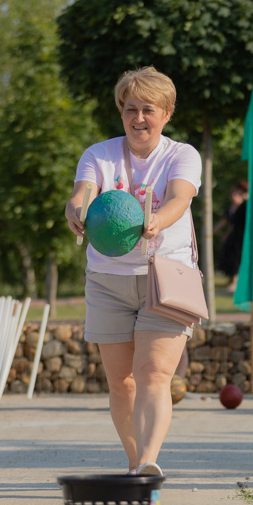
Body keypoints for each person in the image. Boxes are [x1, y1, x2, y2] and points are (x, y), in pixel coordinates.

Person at [64, 67, 202, 476]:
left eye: (148, 110)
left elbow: (180, 197)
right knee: (121, 383)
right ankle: (133, 464)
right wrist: (76, 210)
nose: (138, 118)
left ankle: (148, 461)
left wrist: (157, 219)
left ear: (167, 113)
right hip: (108, 281)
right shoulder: (99, 155)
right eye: (130, 109)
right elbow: (83, 192)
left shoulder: (182, 155)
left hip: (166, 277)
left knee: (153, 373)